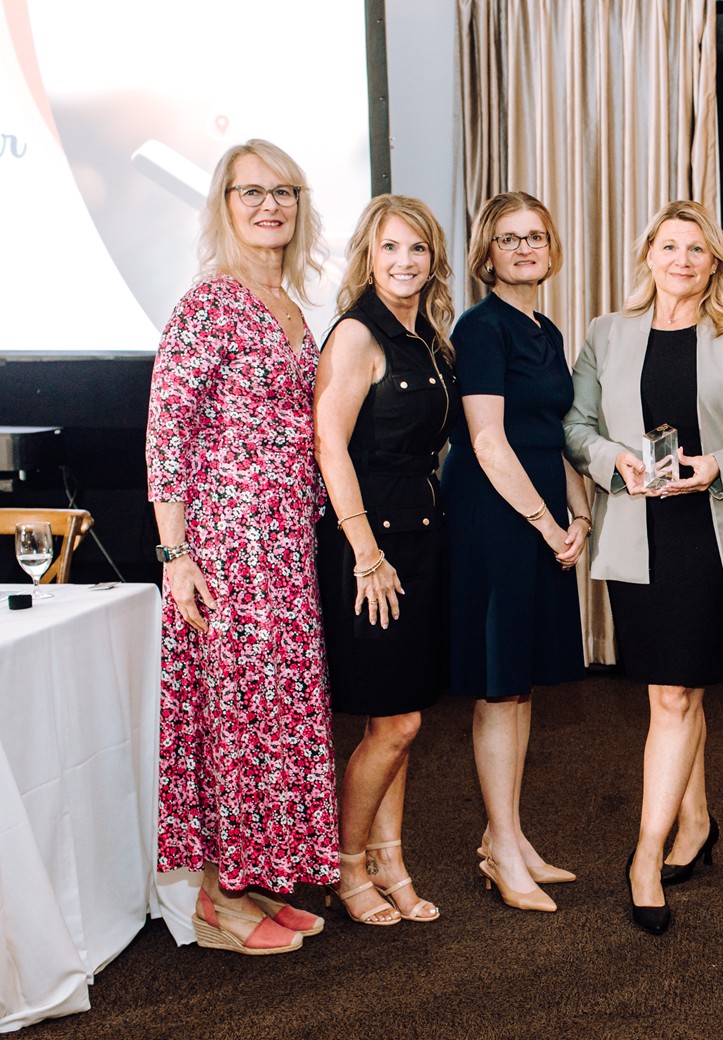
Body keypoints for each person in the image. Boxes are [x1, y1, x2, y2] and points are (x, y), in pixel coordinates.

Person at [564, 199, 723, 935]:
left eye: (696, 249)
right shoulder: (607, 333)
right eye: (669, 246)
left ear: (714, 261)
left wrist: (715, 466)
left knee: (676, 696)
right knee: (674, 693)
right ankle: (696, 823)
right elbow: (576, 427)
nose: (682, 260)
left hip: (710, 534)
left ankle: (645, 857)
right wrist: (613, 460)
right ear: (648, 255)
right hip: (636, 531)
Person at [146, 139, 333, 954]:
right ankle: (218, 902)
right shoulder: (209, 304)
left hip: (285, 546)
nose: (269, 206)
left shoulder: (287, 301)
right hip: (227, 547)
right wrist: (175, 555)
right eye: (251, 192)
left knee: (273, 714)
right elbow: (166, 434)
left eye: (283, 191)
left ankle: (250, 877)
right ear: (223, 204)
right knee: (235, 717)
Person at [443, 192, 588, 914]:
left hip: (538, 515)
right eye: (509, 238)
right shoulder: (480, 328)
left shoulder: (546, 329)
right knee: (500, 686)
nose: (525, 248)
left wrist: (578, 513)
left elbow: (551, 434)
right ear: (487, 253)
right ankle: (501, 846)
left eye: (536, 236)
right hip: (493, 520)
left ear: (551, 247)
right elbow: (488, 442)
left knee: (522, 683)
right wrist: (545, 523)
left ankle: (510, 834)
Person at [314, 195, 456, 926]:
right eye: (390, 248)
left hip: (421, 538)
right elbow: (328, 444)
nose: (405, 261)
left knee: (402, 717)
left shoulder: (427, 336)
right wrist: (366, 554)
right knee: (393, 723)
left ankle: (391, 860)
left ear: (434, 259)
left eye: (418, 249)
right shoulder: (355, 333)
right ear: (369, 257)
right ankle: (347, 867)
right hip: (372, 545)